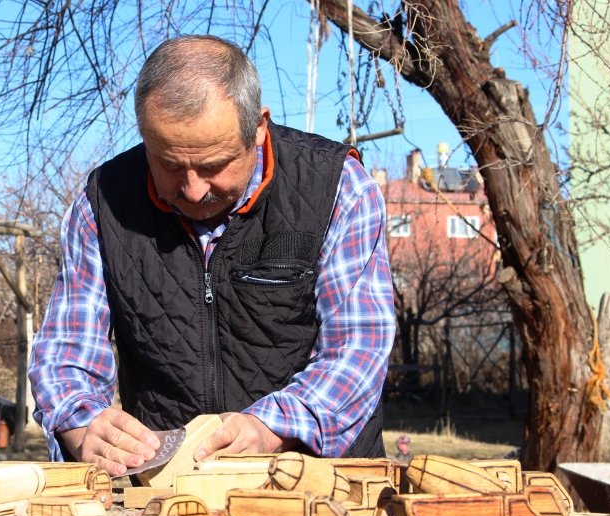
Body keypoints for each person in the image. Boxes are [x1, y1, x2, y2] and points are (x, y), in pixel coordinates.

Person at [29, 35, 396, 476]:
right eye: (167, 162)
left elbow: (359, 349)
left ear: (258, 128)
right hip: (164, 495)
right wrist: (83, 425)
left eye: (213, 164)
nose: (193, 189)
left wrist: (270, 428)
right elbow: (66, 356)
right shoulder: (102, 205)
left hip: (323, 487)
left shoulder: (337, 188)